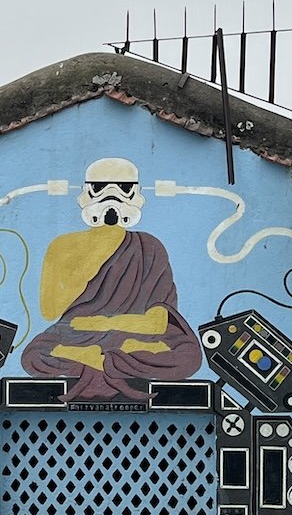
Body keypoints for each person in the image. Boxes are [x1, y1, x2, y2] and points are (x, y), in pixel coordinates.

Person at [21, 158, 201, 401]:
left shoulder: (148, 246)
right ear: (86, 193)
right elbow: (50, 312)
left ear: (136, 195)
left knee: (188, 356)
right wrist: (87, 262)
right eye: (100, 187)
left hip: (130, 337)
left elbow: (158, 323)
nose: (111, 196)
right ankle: (111, 361)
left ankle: (94, 360)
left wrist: (102, 324)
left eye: (123, 188)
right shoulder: (64, 245)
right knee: (34, 355)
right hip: (79, 336)